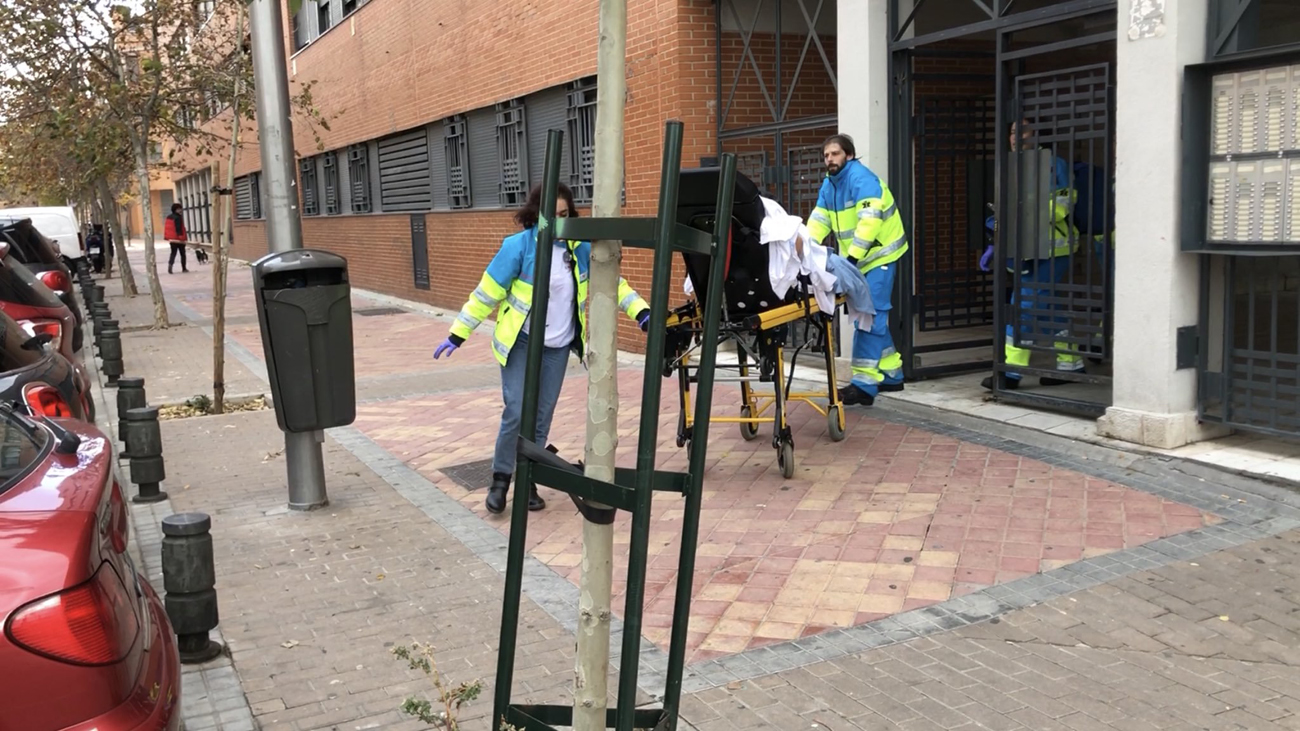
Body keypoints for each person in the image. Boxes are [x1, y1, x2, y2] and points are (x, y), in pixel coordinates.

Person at [433, 183, 651, 514]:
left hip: (558, 347)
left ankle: (529, 479)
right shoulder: (518, 247)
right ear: (538, 215)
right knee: (518, 410)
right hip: (520, 342)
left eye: (566, 215)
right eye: (554, 216)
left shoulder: (578, 249)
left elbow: (613, 283)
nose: (560, 222)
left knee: (541, 419)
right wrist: (458, 333)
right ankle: (501, 478)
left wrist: (641, 311)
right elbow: (486, 293)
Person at [805, 134, 909, 407]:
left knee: (868, 315)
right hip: (861, 260)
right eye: (826, 155)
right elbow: (819, 220)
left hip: (879, 255)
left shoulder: (861, 178)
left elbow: (869, 222)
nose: (830, 159)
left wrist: (851, 258)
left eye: (835, 153)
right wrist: (803, 248)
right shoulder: (830, 185)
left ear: (848, 155)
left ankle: (864, 384)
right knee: (871, 314)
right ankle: (892, 373)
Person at [979, 118, 1082, 391]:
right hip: (1023, 250)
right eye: (1012, 132)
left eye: (1022, 131)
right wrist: (995, 240)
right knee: (1047, 307)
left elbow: (1063, 203)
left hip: (1050, 249)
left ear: (1037, 135)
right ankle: (1070, 364)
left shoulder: (1052, 164)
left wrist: (1025, 214)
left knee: (1023, 306)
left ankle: (1010, 373)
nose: (1016, 137)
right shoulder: (1011, 166)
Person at [163, 202, 189, 274]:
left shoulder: (168, 217)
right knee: (182, 253)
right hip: (178, 239)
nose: (180, 210)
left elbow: (167, 228)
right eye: (178, 209)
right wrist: (182, 238)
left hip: (172, 239)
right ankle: (184, 268)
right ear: (175, 210)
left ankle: (170, 265)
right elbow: (178, 229)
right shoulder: (178, 217)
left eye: (180, 209)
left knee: (173, 253)